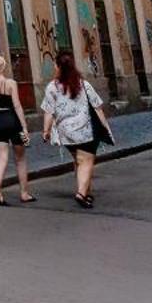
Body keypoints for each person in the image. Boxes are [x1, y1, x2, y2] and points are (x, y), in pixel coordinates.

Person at [41, 51, 105, 209]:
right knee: (87, 160)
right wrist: (104, 126)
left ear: (57, 67)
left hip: (66, 132)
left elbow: (48, 111)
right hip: (85, 129)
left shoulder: (52, 87)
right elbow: (97, 106)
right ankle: (82, 193)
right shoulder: (83, 84)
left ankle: (86, 192)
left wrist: (46, 131)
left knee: (79, 160)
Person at [0, 55, 35, 206]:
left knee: (2, 157)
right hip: (12, 120)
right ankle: (24, 193)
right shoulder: (11, 83)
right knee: (20, 159)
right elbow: (17, 105)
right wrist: (24, 127)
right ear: (3, 67)